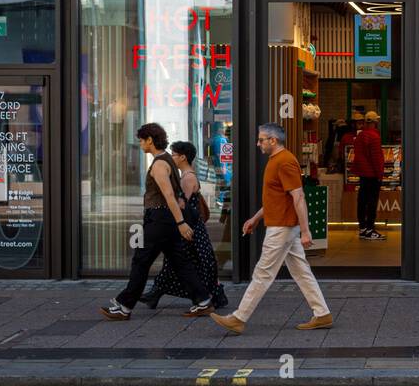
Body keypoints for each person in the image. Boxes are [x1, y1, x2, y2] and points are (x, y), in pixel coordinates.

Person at [211, 123, 333, 335]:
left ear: (273, 141)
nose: (258, 143)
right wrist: (256, 218)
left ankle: (239, 318)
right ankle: (322, 314)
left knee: (262, 273)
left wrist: (306, 231)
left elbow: (299, 196)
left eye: (261, 140)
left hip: (282, 227)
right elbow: (277, 198)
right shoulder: (276, 161)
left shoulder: (284, 162)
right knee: (301, 271)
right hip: (282, 224)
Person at [100, 123, 215, 320]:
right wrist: (178, 223)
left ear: (150, 140)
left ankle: (124, 306)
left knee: (141, 261)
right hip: (166, 221)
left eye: (141, 140)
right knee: (181, 262)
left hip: (160, 221)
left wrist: (181, 223)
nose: (140, 144)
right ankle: (203, 301)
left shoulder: (160, 164)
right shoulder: (168, 160)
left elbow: (169, 195)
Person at [140, 141, 229, 311]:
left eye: (173, 154)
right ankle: (155, 294)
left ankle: (214, 295)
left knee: (190, 262)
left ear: (182, 157)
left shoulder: (187, 178)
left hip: (190, 228)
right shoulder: (186, 175)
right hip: (191, 227)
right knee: (182, 262)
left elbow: (183, 205)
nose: (171, 157)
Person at [354, 110, 386, 240]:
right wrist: (380, 174)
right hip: (372, 174)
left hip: (362, 173)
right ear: (375, 123)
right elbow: (376, 158)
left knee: (362, 200)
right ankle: (370, 229)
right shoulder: (374, 137)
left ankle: (362, 228)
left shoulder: (360, 136)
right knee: (372, 202)